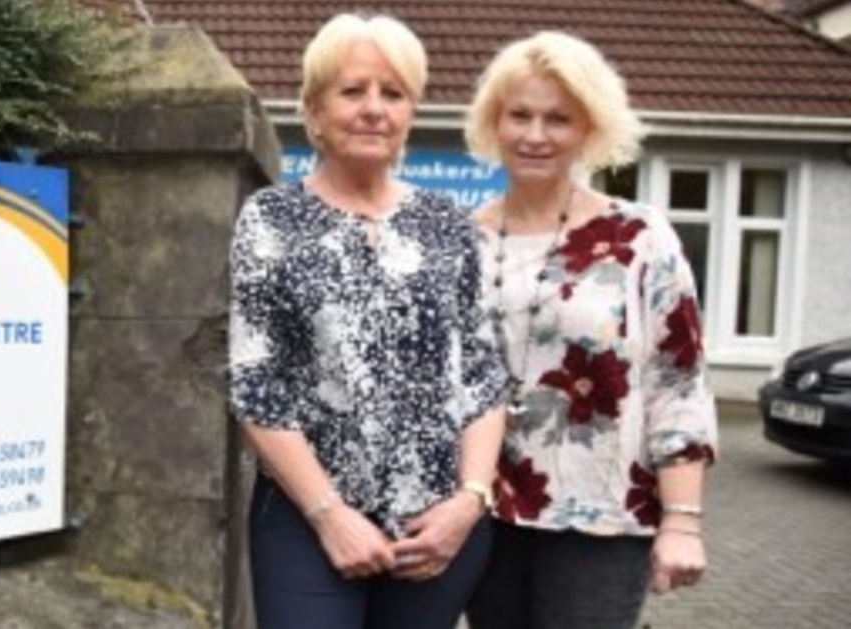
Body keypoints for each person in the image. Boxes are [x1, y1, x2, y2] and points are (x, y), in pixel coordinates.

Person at [229, 13, 509, 629]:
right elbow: (257, 384)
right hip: (307, 523)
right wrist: (330, 515)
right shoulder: (271, 219)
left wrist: (470, 501)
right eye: (352, 91)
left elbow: (485, 378)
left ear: (411, 111)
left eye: (393, 93)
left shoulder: (449, 225)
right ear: (313, 111)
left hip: (436, 528)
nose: (374, 109)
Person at [460, 31, 719, 629]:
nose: (535, 135)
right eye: (519, 114)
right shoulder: (461, 240)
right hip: (484, 515)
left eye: (559, 119)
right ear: (493, 121)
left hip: (603, 515)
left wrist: (682, 520)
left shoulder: (639, 237)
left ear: (589, 130)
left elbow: (678, 380)